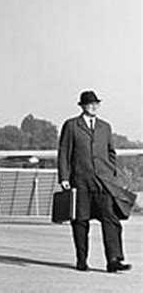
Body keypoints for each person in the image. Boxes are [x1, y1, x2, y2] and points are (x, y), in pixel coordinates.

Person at [58, 90, 132, 273]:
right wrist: (64, 177)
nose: (94, 106)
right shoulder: (71, 125)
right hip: (81, 180)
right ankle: (82, 259)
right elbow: (64, 153)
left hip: (103, 182)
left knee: (111, 219)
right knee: (81, 221)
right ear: (82, 106)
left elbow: (111, 152)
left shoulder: (105, 127)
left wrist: (111, 173)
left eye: (96, 103)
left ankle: (114, 260)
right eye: (90, 104)